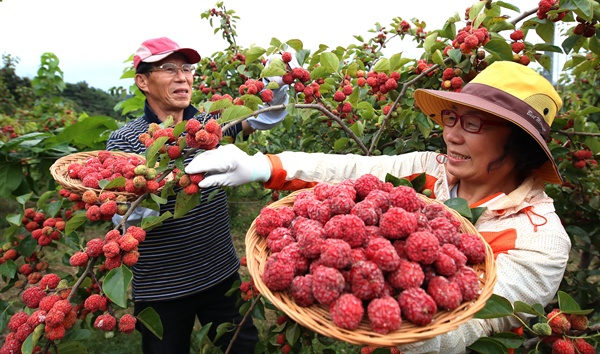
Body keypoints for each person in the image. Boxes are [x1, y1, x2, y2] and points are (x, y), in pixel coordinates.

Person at [185, 60, 571, 353]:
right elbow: (355, 171)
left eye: (473, 125)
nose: (450, 134)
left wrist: (379, 317)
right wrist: (262, 165)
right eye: (452, 118)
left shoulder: (542, 238)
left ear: (519, 143)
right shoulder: (428, 170)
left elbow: (464, 328)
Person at [106, 37, 288, 354]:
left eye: (187, 68)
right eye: (169, 68)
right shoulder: (125, 140)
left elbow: (264, 116)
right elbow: (124, 214)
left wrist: (279, 80)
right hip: (162, 286)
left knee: (241, 346)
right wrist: (170, 183)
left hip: (219, 273)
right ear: (142, 81)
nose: (182, 76)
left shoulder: (208, 124)